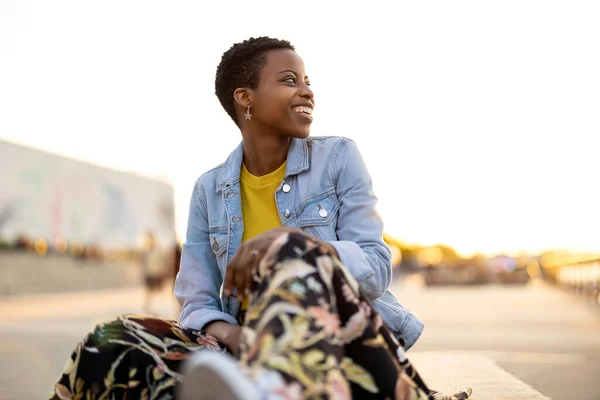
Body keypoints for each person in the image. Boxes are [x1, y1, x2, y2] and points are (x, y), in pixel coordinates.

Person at [51, 37, 471, 400]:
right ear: (244, 97)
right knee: (112, 340)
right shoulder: (208, 189)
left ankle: (274, 387)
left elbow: (376, 269)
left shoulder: (339, 158)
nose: (307, 92)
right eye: (290, 80)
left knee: (290, 248)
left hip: (339, 345)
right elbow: (196, 299)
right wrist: (237, 337)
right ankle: (251, 384)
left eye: (307, 82)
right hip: (238, 347)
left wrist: (302, 247)